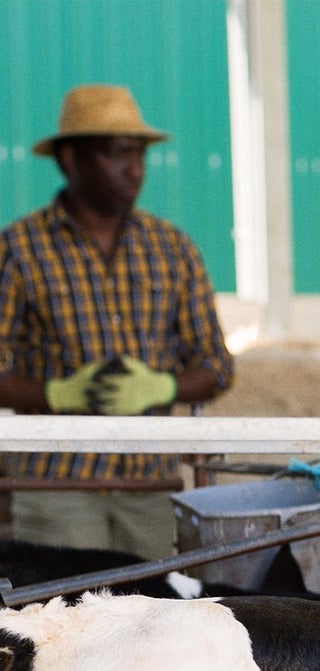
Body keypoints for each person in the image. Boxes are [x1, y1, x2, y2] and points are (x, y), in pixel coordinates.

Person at [0, 85, 234, 559]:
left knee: (152, 620)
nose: (136, 169)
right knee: (64, 621)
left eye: (141, 154)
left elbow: (217, 366)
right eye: (118, 154)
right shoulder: (18, 250)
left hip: (149, 485)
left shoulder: (172, 249)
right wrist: (56, 393)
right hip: (55, 487)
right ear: (71, 159)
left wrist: (161, 387)